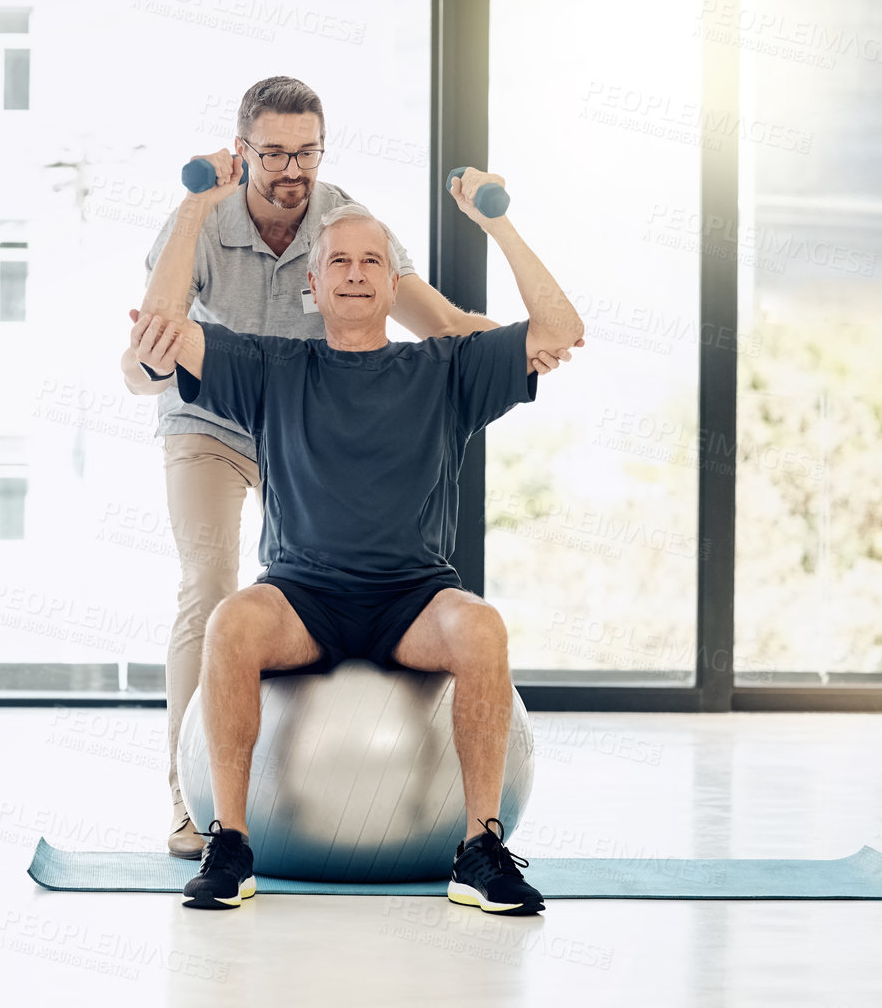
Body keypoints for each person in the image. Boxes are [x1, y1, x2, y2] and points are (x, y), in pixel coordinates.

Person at [122, 76, 580, 859]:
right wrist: (198, 201)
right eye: (273, 153)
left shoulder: (347, 229)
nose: (292, 168)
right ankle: (193, 805)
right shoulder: (199, 224)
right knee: (212, 589)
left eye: (307, 151)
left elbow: (448, 324)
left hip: (307, 413)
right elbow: (151, 356)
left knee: (429, 598)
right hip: (213, 406)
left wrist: (492, 328)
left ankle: (482, 842)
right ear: (243, 152)